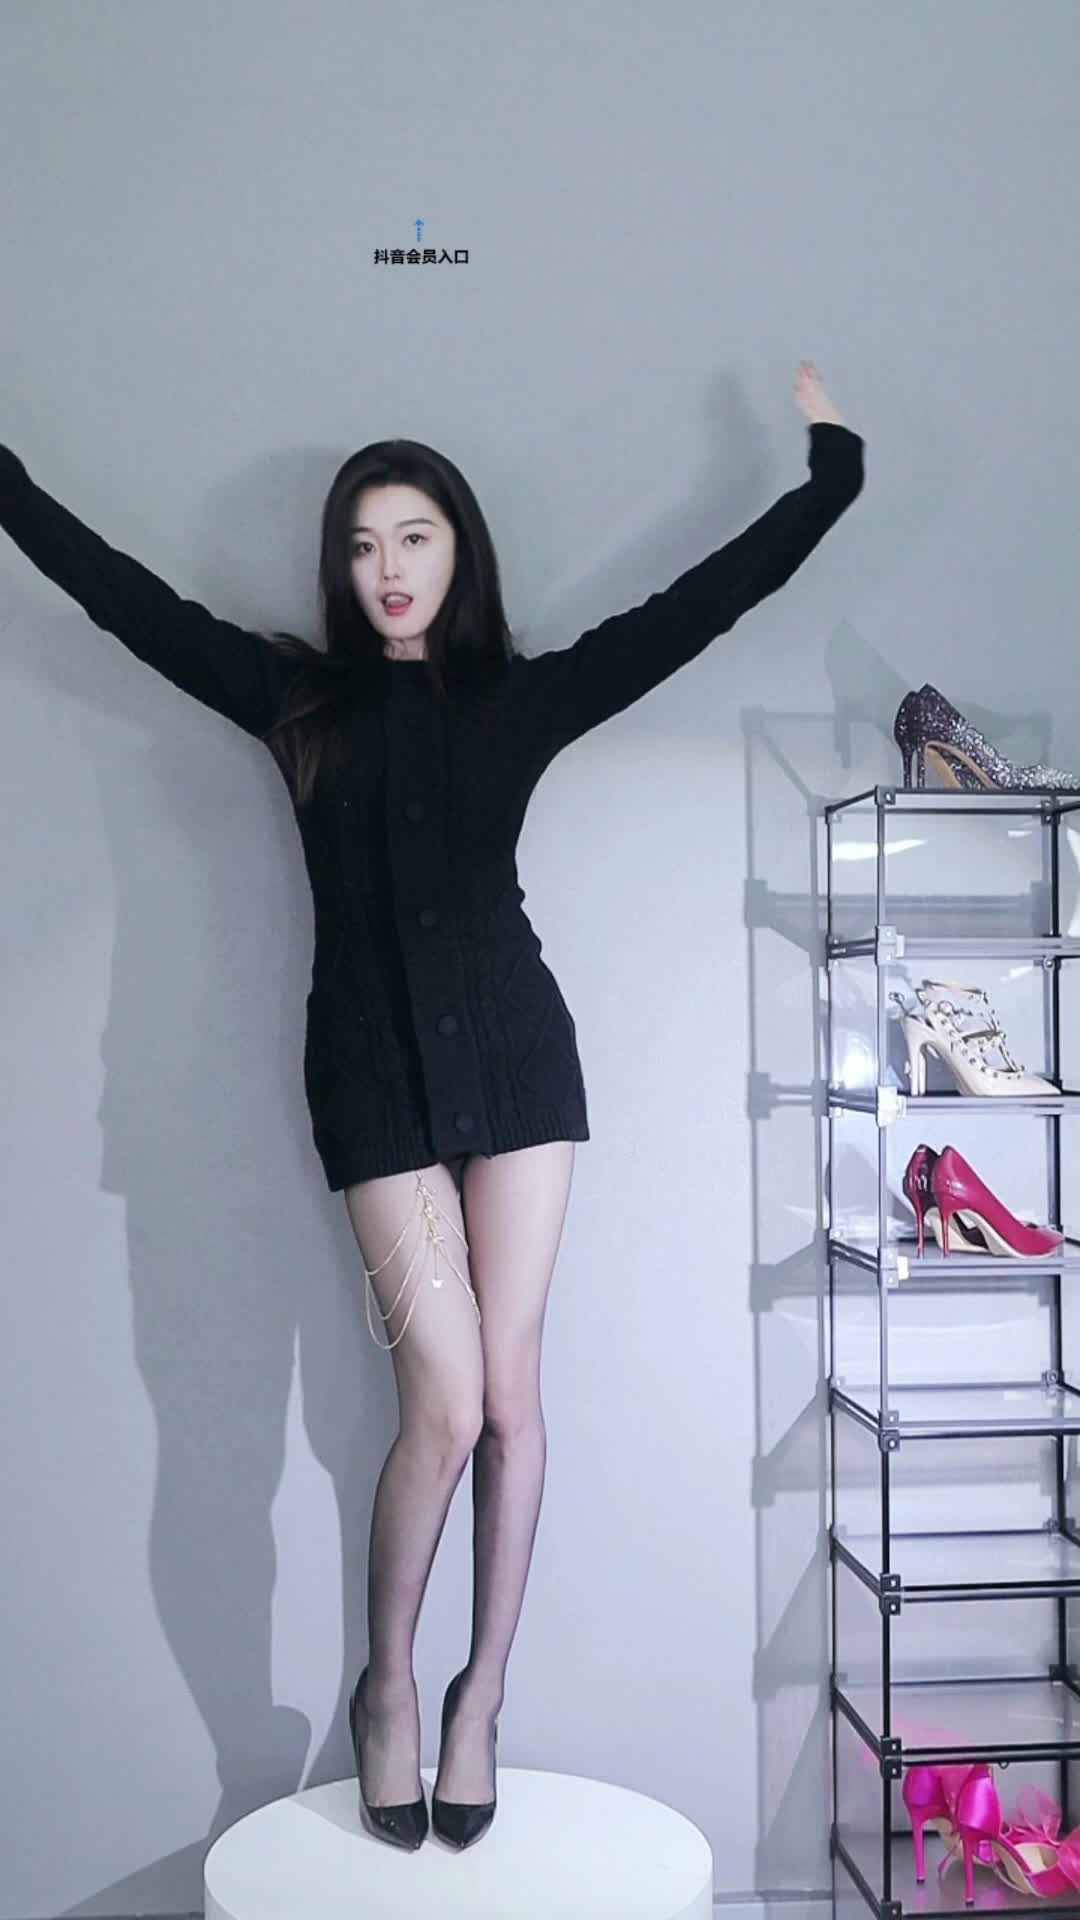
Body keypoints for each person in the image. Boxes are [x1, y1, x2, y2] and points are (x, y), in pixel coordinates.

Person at [0, 361, 864, 1853]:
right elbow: (123, 598)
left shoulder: (521, 699)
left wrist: (830, 474)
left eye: (414, 537)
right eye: (363, 545)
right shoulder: (294, 698)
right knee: (447, 1408)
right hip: (374, 1080)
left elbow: (701, 604)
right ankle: (389, 1687)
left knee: (515, 1402)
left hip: (522, 1068)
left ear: (461, 550)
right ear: (340, 569)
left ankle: (483, 1701)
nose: (389, 568)